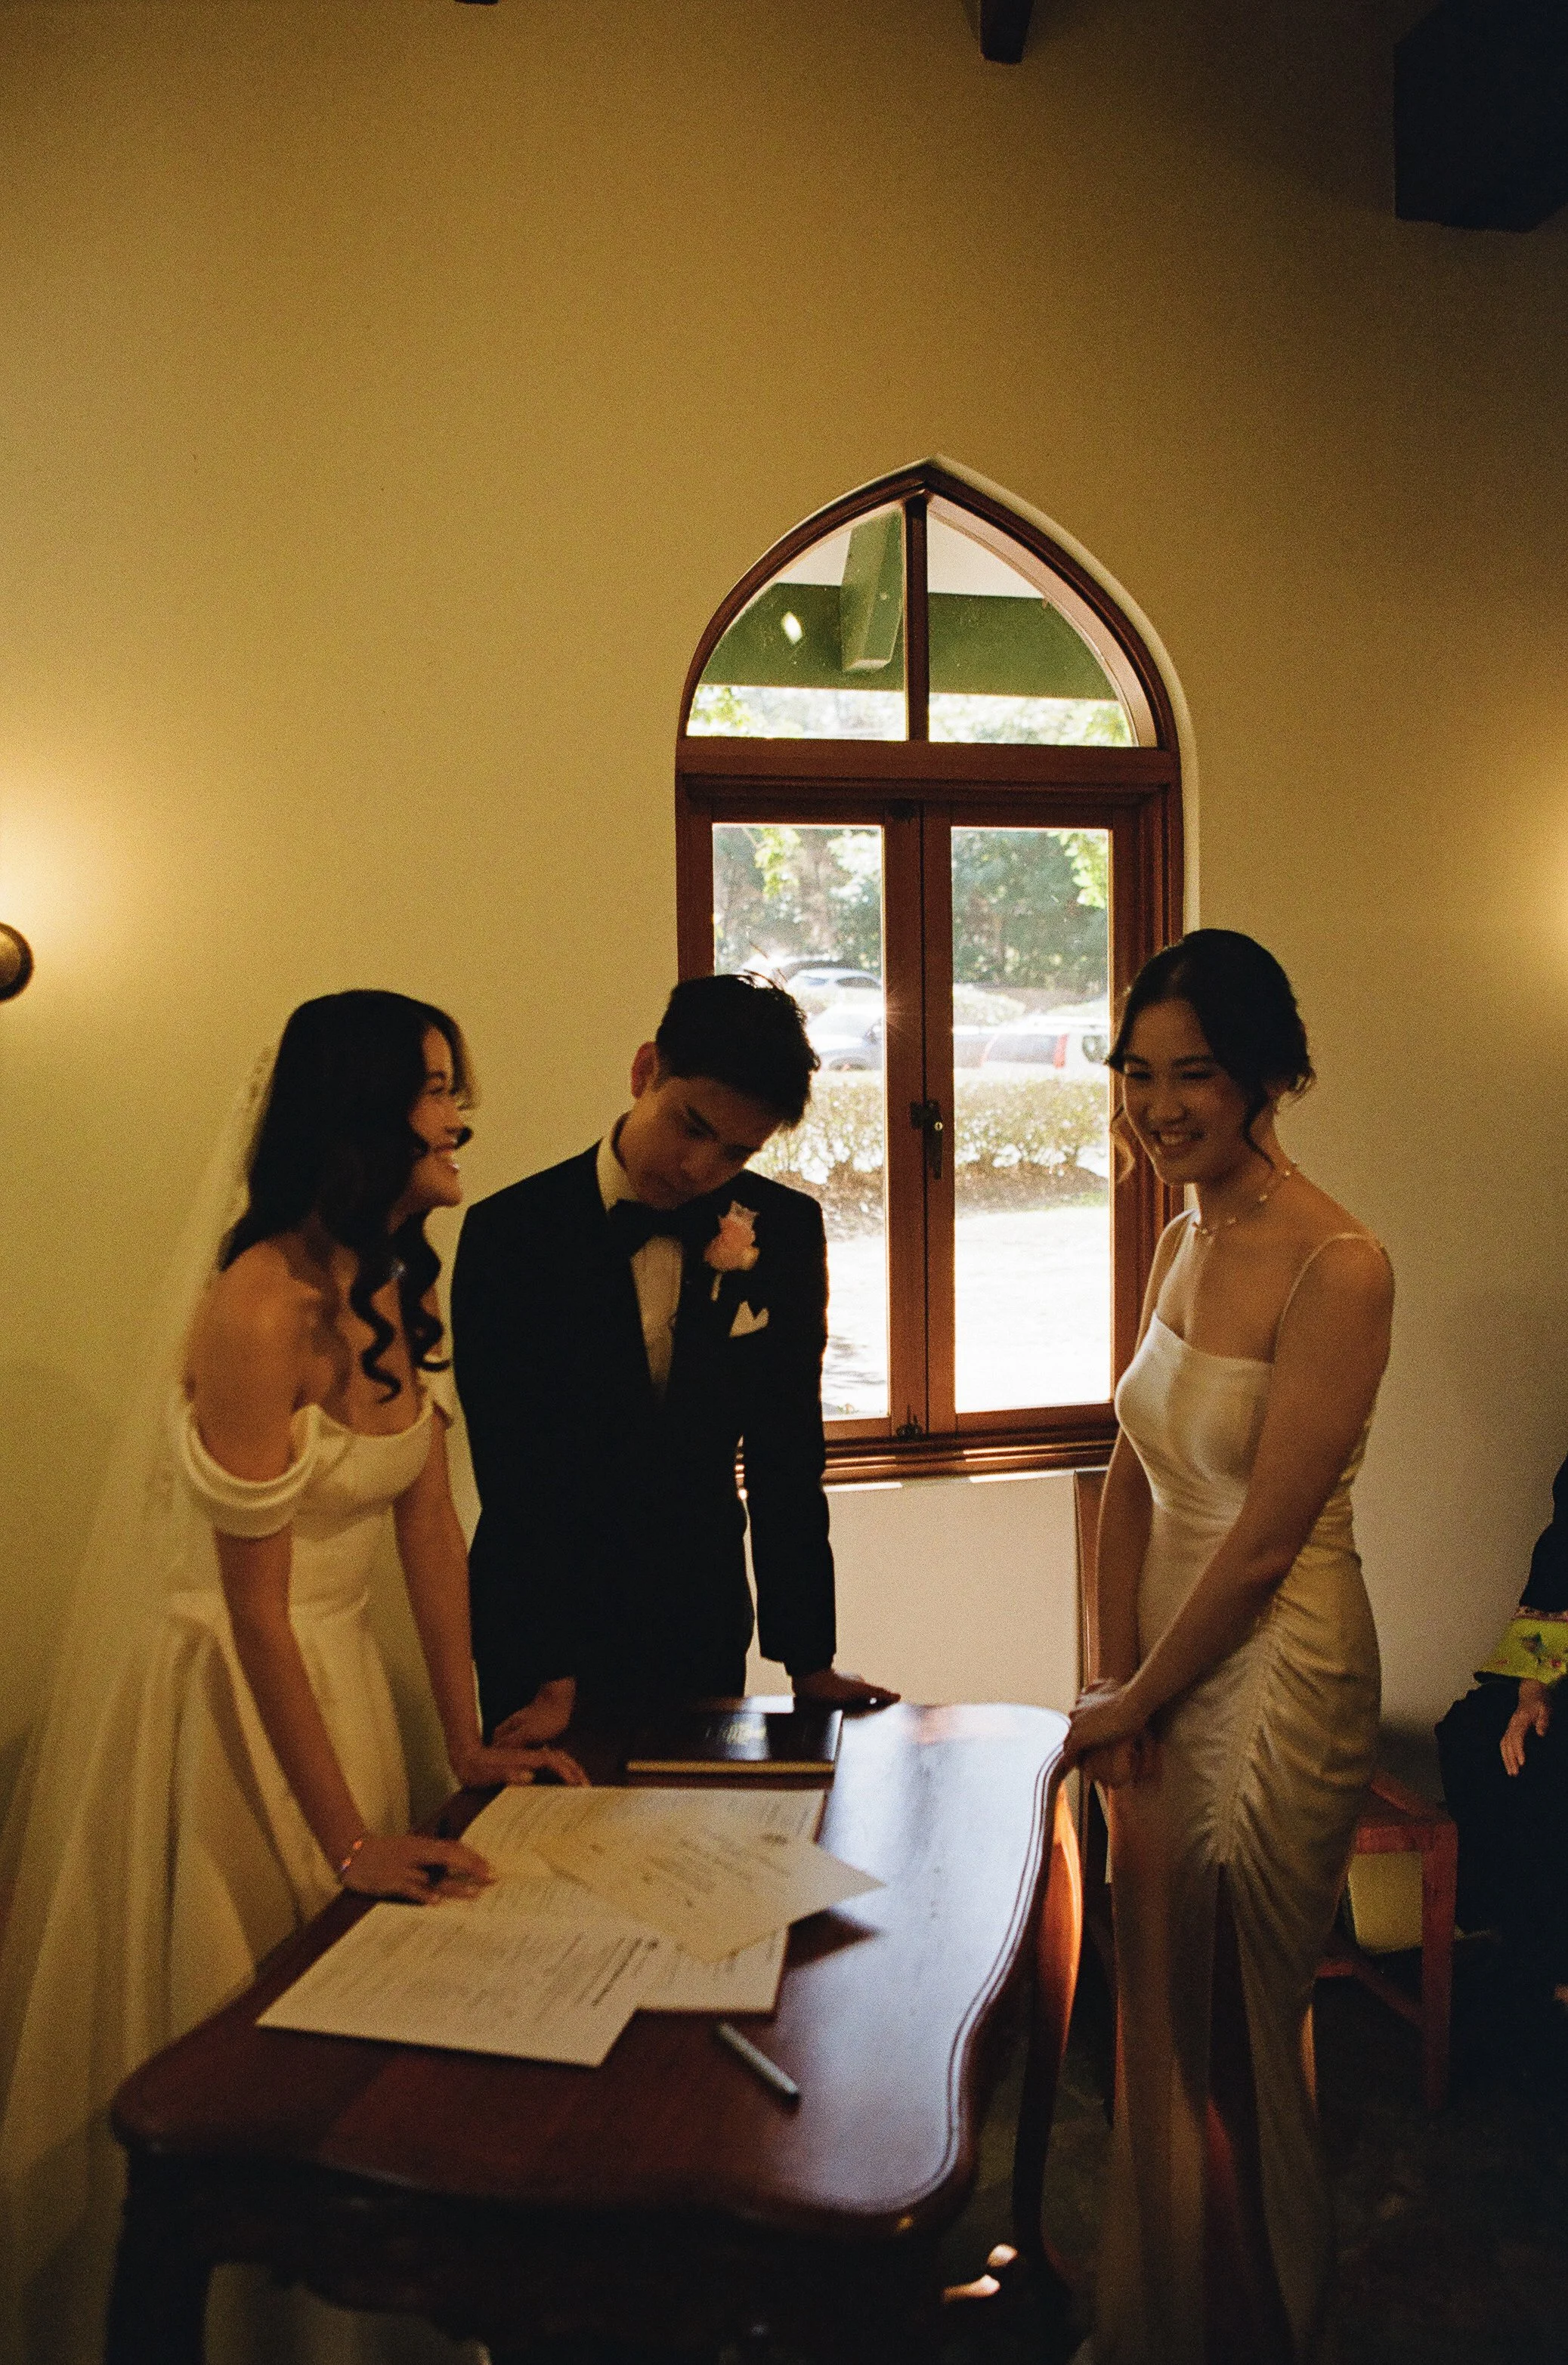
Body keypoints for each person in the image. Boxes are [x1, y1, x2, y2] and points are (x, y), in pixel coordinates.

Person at [0, 991, 583, 2365]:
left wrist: (463, 1743)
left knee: (367, 2033)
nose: (461, 1115)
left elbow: (428, 1526)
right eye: (436, 1088)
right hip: (229, 1704)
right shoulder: (258, 1305)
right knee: (255, 2009)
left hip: (341, 1682)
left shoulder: (397, 1280)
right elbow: (255, 1611)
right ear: (362, 1112)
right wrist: (350, 1842)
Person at [1062, 930, 1393, 2365]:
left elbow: (1263, 1542)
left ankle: (1260, 2331)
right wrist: (1110, 1681)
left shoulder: (1339, 1261)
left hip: (1274, 1673)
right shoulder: (1179, 1234)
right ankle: (1161, 2323)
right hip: (1157, 1672)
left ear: (1265, 1075)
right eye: (1136, 1073)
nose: (1157, 1106)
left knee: (1237, 2039)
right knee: (1155, 2018)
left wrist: (1143, 1689)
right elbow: (1130, 1472)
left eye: (1191, 1074)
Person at [451, 972, 897, 1739]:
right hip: (537, 1627)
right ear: (644, 1070)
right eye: (689, 1127)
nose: (699, 1168)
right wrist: (553, 1676)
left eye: (736, 1152)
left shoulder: (783, 1231)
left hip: (697, 1616)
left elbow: (786, 1455)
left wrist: (809, 1660)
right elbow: (512, 1469)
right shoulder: (510, 1234)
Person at [1436, 1449, 1568, 2005]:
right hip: (1558, 1672)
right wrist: (1530, 1695)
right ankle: (1514, 1930)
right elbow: (1554, 1573)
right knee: (1474, 1732)